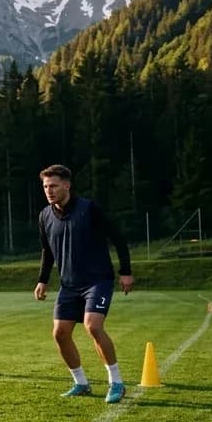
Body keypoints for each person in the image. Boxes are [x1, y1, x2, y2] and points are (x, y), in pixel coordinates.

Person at [34, 164, 135, 403]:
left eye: (54, 186)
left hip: (97, 280)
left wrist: (126, 271)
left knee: (93, 326)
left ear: (67, 185)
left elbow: (117, 237)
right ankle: (81, 383)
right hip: (68, 285)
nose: (49, 191)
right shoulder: (45, 216)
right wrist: (42, 280)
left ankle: (116, 382)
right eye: (46, 186)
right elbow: (47, 251)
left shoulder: (89, 209)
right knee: (60, 333)